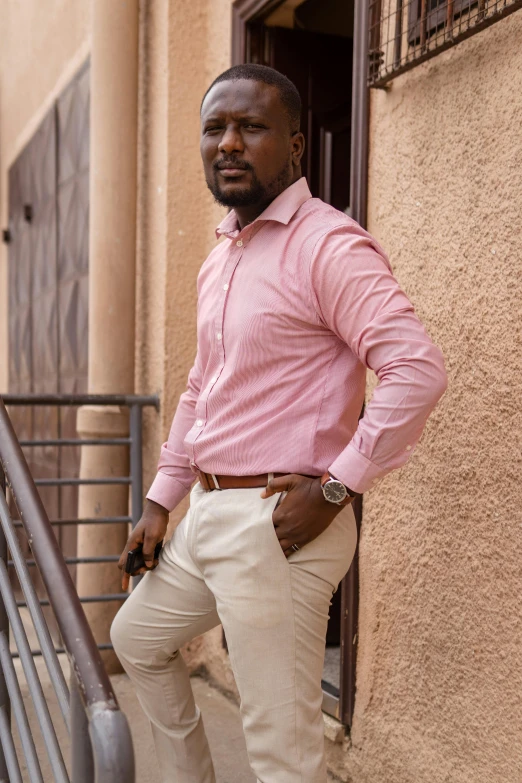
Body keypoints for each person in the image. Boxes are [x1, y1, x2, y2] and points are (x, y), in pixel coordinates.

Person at [111, 64, 447, 783]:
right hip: (205, 513)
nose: (228, 144)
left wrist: (335, 488)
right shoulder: (222, 256)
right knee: (135, 637)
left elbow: (416, 369)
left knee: (281, 754)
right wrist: (160, 501)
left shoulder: (328, 245)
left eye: (251, 127)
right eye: (214, 128)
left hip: (279, 522)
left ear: (295, 144)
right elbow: (206, 383)